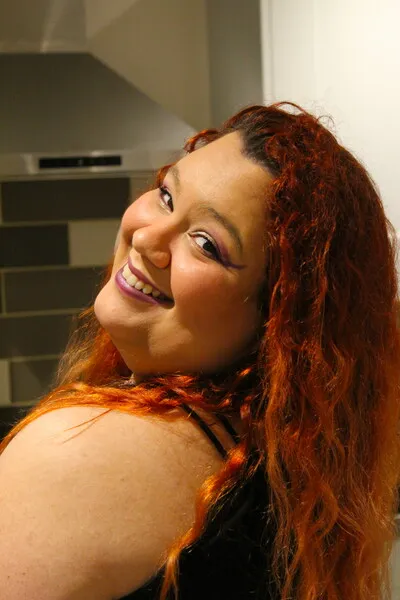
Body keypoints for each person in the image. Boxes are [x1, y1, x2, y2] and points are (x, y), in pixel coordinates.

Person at [0, 102, 399, 600]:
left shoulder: (73, 454)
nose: (148, 238)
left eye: (207, 244)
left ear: (277, 322)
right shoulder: (279, 471)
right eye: (167, 196)